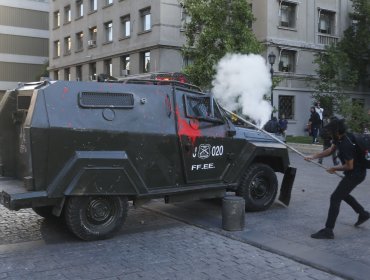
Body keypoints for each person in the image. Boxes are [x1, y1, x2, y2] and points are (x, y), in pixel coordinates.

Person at [304, 119, 370, 239]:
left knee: (335, 197)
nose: (328, 133)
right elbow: (330, 150)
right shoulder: (340, 139)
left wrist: (334, 168)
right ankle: (363, 213)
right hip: (354, 173)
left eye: (330, 131)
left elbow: (350, 166)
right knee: (343, 194)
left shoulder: (346, 144)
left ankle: (328, 230)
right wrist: (313, 156)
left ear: (337, 131)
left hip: (356, 174)